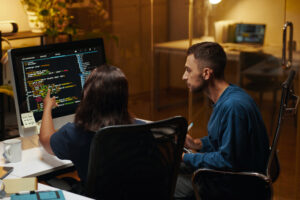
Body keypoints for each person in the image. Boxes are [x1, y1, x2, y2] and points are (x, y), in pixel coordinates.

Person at [174, 42, 270, 199]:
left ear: (206, 73)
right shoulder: (231, 95)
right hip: (232, 178)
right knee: (172, 168)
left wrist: (186, 156)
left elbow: (228, 160)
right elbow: (229, 142)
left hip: (234, 188)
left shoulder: (233, 107)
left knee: (164, 181)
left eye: (188, 70)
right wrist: (197, 144)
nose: (184, 76)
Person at [39, 64, 138, 184]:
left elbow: (45, 140)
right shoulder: (141, 128)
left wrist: (47, 107)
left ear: (87, 95)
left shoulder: (74, 134)